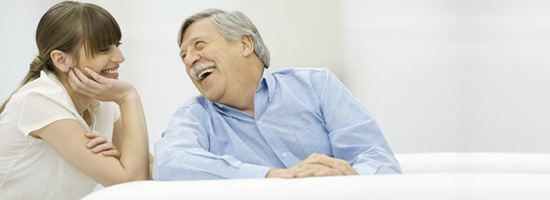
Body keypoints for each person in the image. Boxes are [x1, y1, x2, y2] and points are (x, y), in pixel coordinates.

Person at [153, 8, 401, 180]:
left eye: (199, 45)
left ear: (244, 45)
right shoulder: (195, 115)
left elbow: (377, 158)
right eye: (183, 55)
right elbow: (169, 163)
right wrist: (271, 176)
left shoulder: (316, 85)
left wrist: (351, 178)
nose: (190, 60)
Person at [0, 1, 151, 199]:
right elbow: (134, 185)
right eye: (104, 49)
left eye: (117, 45)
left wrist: (126, 160)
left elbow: (148, 171)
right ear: (62, 60)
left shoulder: (101, 104)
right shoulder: (39, 101)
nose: (120, 57)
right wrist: (129, 97)